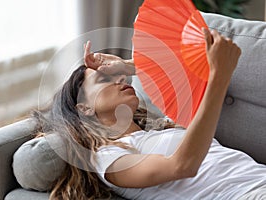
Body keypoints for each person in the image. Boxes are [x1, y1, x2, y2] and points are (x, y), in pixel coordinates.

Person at [33, 28, 266, 200]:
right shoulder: (107, 158)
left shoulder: (157, 129)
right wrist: (220, 77)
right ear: (84, 107)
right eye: (104, 79)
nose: (121, 80)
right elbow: (182, 165)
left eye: (119, 76)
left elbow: (190, 65)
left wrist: (128, 65)